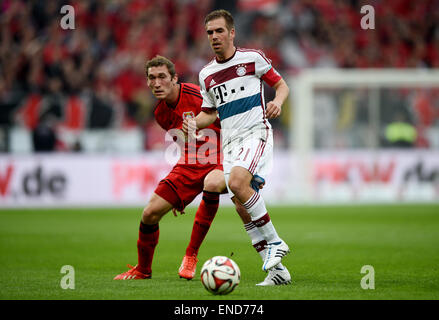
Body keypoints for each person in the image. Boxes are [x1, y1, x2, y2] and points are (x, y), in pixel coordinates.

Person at [114, 56, 290, 286]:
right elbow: (184, 143)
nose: (156, 83)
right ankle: (143, 270)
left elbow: (228, 117)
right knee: (150, 213)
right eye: (151, 78)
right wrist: (181, 192)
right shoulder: (160, 114)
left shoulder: (198, 94)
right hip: (191, 162)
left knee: (225, 191)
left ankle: (191, 255)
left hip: (223, 155)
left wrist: (246, 159)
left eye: (162, 77)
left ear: (174, 79)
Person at [183, 9, 291, 282]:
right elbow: (210, 112)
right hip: (230, 143)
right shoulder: (206, 74)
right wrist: (195, 123)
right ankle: (278, 273)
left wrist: (277, 102)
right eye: (210, 32)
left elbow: (282, 86)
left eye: (219, 31)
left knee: (239, 183)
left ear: (232, 33)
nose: (214, 37)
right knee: (242, 206)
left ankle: (276, 242)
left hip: (256, 133)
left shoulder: (253, 59)